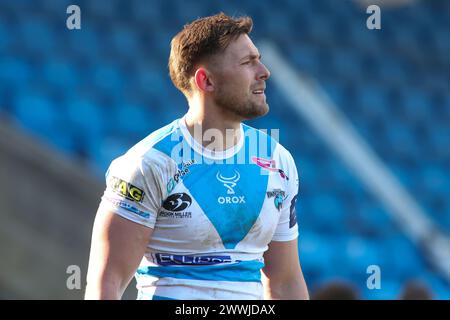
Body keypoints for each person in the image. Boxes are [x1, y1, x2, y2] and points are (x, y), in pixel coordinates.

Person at [85, 12, 309, 300]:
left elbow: (285, 282)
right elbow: (105, 284)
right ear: (206, 81)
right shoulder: (149, 163)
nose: (264, 71)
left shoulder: (278, 160)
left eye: (259, 58)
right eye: (247, 62)